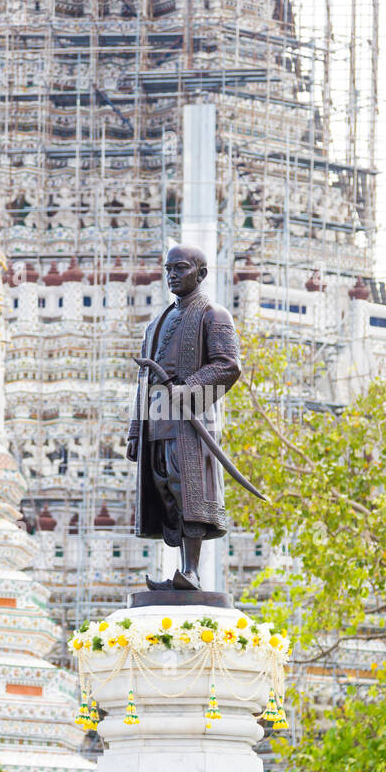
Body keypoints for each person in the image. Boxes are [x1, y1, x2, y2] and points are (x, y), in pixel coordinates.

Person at [126, 244, 240, 590]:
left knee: (190, 491)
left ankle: (192, 570)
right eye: (168, 269)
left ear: (200, 274)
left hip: (193, 420)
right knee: (165, 491)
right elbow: (143, 379)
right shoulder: (156, 324)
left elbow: (228, 366)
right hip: (157, 420)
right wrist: (135, 431)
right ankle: (178, 572)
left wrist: (188, 388)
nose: (172, 275)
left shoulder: (214, 315)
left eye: (180, 268)